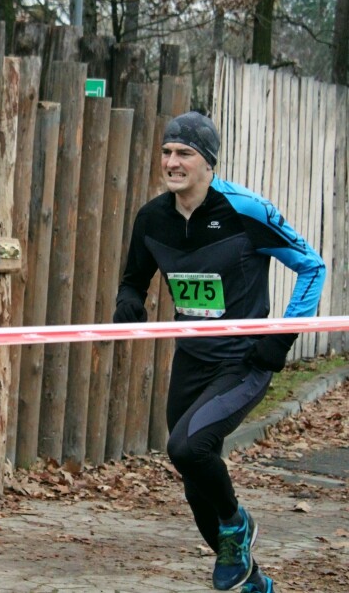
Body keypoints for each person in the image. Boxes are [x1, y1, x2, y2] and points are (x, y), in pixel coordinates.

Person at [113, 111, 325, 593]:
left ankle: (237, 523)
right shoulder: (152, 219)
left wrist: (280, 338)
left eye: (184, 153)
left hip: (243, 361)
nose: (172, 161)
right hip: (192, 360)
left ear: (209, 162)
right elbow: (134, 280)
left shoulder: (246, 211)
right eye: (166, 152)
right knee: (193, 475)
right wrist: (129, 303)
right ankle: (251, 580)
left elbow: (312, 267)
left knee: (189, 446)